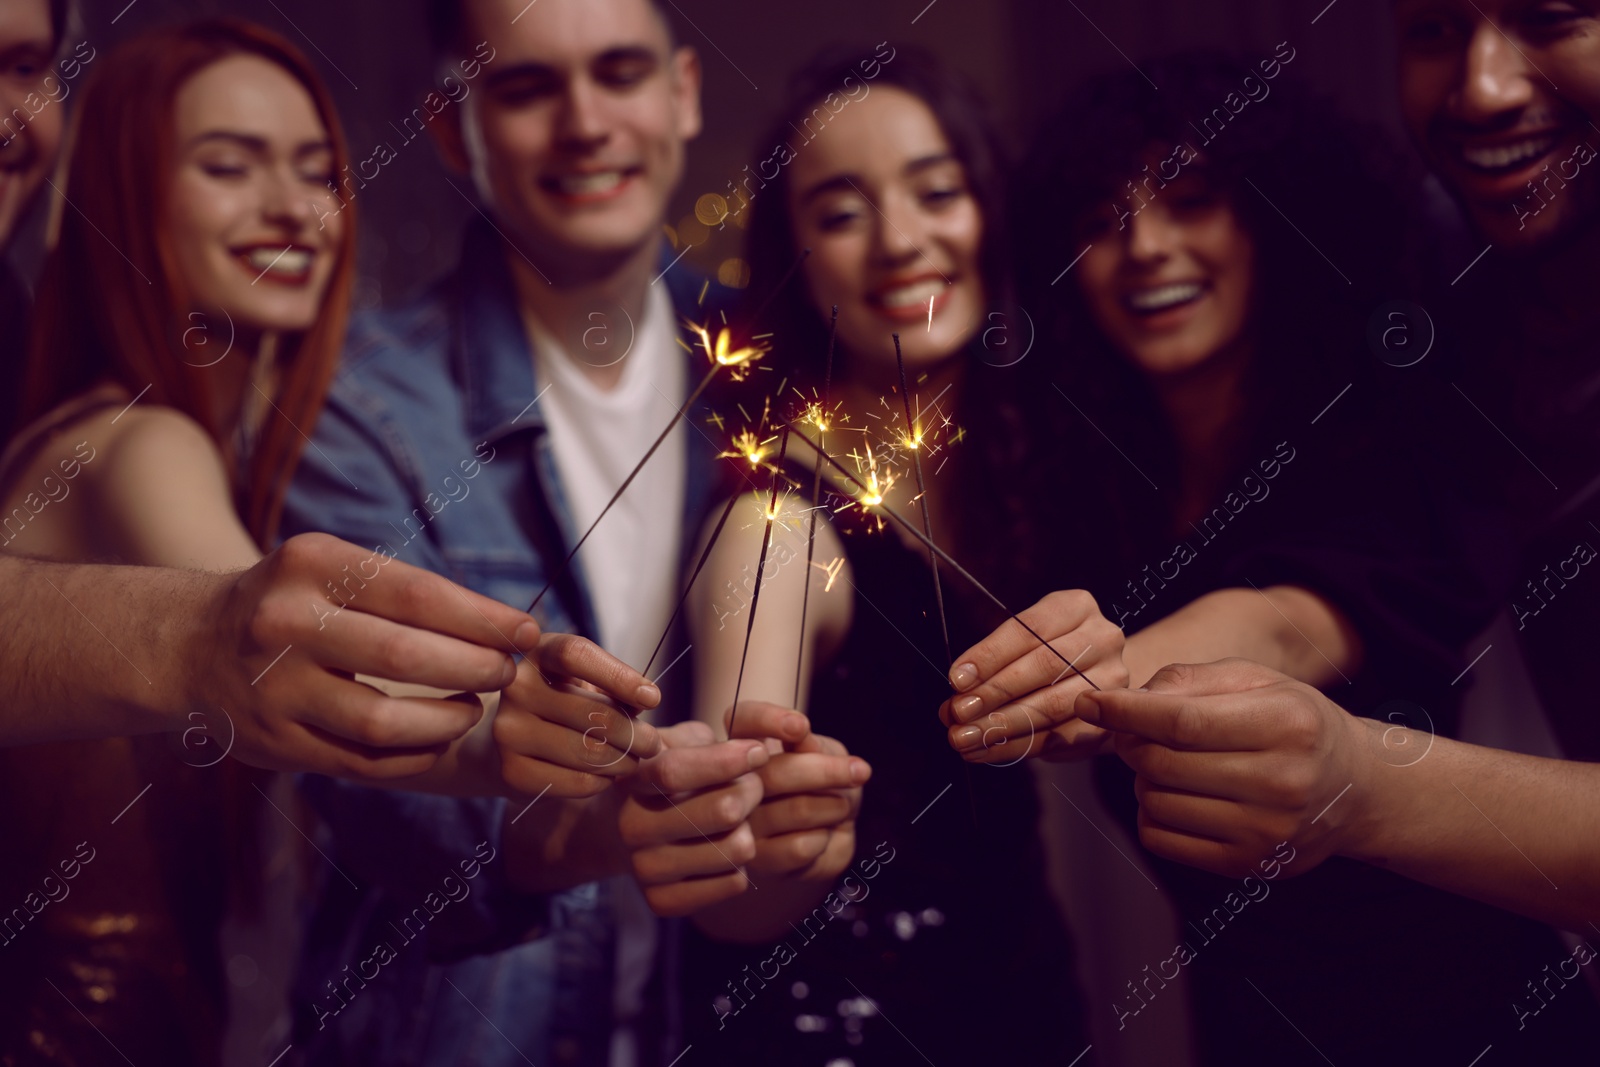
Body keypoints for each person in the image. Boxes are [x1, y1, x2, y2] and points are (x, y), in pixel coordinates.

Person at [0, 19, 660, 1065]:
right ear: (124, 189)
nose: (293, 208)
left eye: (318, 170)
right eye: (229, 166)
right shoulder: (138, 442)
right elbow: (292, 658)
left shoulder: (213, 447)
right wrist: (525, 735)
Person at [947, 51, 1599, 1064]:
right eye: (1101, 221)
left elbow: (1291, 616)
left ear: (1273, 218)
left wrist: (1116, 659)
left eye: (1191, 202)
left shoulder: (1390, 439)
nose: (1145, 249)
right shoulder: (1096, 492)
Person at [278, 2, 859, 1063]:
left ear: (682, 93)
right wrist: (611, 821)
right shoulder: (357, 408)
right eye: (528, 87)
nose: (585, 123)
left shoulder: (779, 372)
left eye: (620, 72)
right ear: (452, 127)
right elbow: (376, 790)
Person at [1077, 2, 1600, 938]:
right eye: (1434, 29)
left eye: (1554, 16)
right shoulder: (1449, 279)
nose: (1482, 87)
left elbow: (1343, 599)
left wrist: (1365, 786)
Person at [671, 46, 1094, 1066]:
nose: (901, 242)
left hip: (1027, 1010)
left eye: (935, 191)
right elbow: (732, 890)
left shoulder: (1028, 463)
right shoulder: (774, 527)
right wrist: (778, 843)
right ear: (794, 256)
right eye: (842, 211)